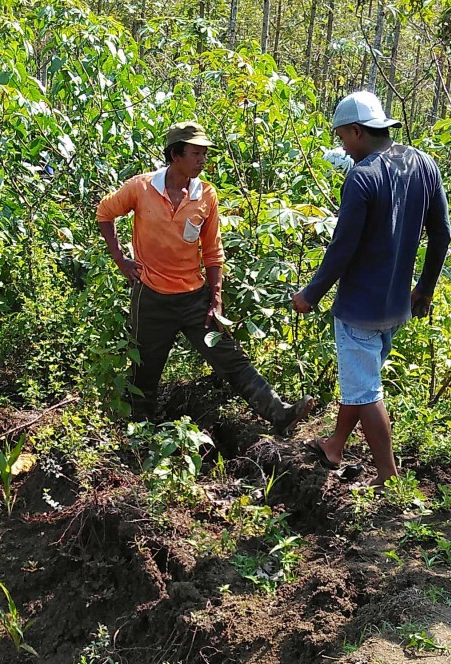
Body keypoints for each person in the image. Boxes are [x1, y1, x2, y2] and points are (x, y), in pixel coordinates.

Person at [96, 121, 315, 433]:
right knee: (145, 367)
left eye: (204, 154)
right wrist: (120, 259)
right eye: (196, 154)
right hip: (151, 297)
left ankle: (278, 412)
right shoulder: (142, 188)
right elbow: (105, 212)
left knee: (231, 358)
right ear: (175, 155)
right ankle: (140, 431)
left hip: (194, 299)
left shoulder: (205, 195)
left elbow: (213, 251)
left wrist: (215, 299)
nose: (202, 160)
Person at [291, 91, 451, 485]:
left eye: (343, 137)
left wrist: (310, 293)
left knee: (366, 392)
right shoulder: (423, 164)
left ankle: (388, 477)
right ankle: (334, 445)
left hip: (359, 308)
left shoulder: (362, 177)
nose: (342, 146)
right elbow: (442, 235)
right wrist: (424, 290)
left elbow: (343, 247)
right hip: (397, 305)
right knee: (360, 377)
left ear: (358, 131)